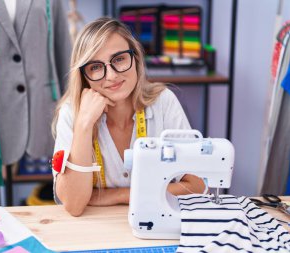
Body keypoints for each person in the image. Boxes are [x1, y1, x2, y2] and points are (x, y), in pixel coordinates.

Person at [51, 17, 205, 216]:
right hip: (95, 230)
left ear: (136, 58)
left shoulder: (164, 103)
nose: (112, 76)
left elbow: (196, 185)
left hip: (157, 220)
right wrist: (83, 125)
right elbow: (73, 204)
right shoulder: (72, 113)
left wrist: (119, 195)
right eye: (95, 67)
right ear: (83, 76)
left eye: (119, 59)